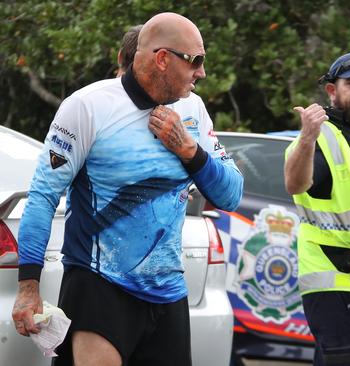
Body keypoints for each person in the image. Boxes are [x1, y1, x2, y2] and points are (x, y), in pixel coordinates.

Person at [11, 12, 243, 366]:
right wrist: (28, 287)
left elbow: (231, 195)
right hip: (99, 284)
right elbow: (43, 196)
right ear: (163, 59)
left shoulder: (193, 109)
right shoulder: (87, 106)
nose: (202, 73)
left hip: (167, 291)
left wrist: (189, 151)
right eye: (195, 61)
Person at [284, 52, 350, 365]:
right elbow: (295, 183)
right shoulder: (321, 135)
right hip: (334, 283)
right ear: (332, 91)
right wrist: (307, 136)